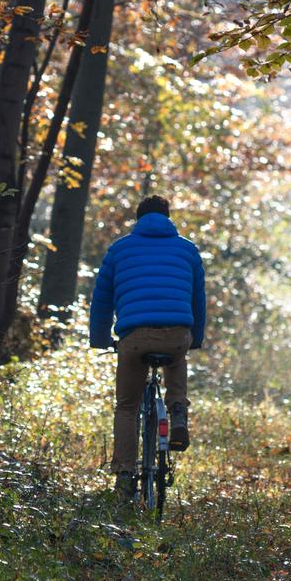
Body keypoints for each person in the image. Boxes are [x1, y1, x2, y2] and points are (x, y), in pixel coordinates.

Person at [88, 195, 207, 500]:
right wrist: (195, 338)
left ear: (138, 218)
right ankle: (177, 411)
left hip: (135, 337)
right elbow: (198, 301)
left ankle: (125, 477)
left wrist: (99, 338)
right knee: (177, 355)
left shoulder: (119, 249)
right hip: (177, 333)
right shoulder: (188, 249)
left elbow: (102, 300)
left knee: (127, 407)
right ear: (168, 217)